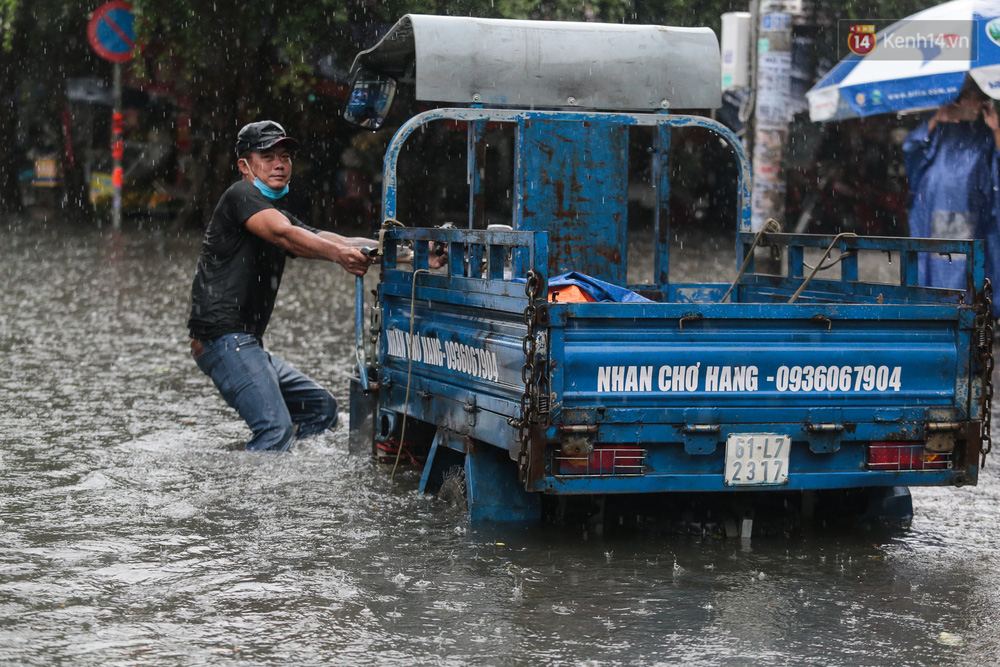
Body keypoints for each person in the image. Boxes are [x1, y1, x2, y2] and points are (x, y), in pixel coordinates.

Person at [188, 120, 377, 451]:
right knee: (275, 431)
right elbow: (286, 235)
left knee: (321, 410)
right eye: (268, 156)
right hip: (222, 339)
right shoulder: (240, 195)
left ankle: (280, 471)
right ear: (244, 166)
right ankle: (247, 493)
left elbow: (332, 238)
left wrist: (403, 252)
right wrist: (339, 256)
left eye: (285, 157)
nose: (279, 164)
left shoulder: (274, 211)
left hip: (246, 342)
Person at [903, 83, 1000, 295]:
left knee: (963, 265)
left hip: (971, 206)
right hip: (934, 206)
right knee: (937, 262)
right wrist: (937, 119)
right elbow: (912, 148)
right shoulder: (939, 126)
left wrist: (995, 127)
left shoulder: (987, 132)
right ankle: (937, 307)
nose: (972, 105)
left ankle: (963, 309)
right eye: (968, 98)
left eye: (978, 99)